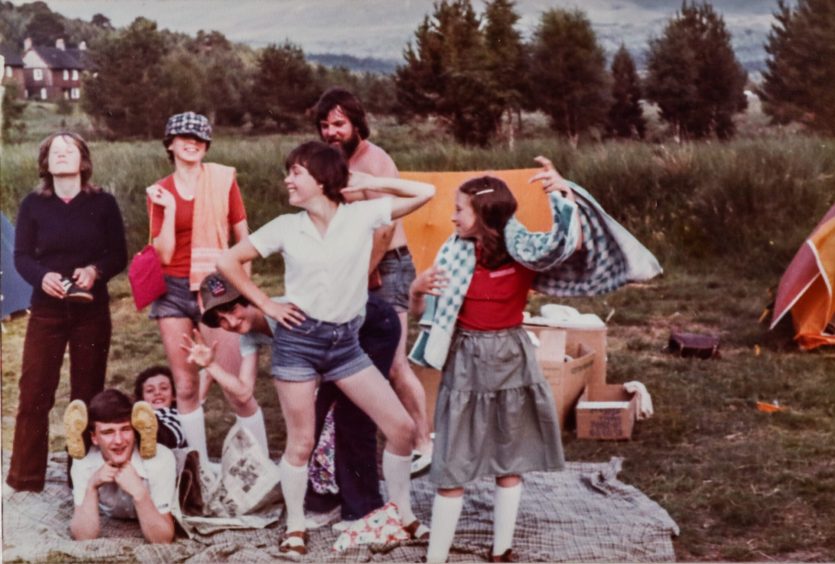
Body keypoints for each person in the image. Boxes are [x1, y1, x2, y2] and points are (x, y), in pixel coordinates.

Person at [412, 157, 661, 563]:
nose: (452, 216)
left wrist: (563, 190)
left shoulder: (524, 251)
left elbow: (570, 243)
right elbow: (426, 312)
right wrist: (417, 291)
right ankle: (436, 558)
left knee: (510, 458)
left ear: (484, 216)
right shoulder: (453, 253)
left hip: (511, 357)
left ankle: (502, 550)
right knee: (452, 463)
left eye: (459, 209)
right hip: (466, 360)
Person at [216, 141, 435, 555]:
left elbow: (427, 194)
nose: (287, 179)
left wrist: (368, 181)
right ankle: (295, 527)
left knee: (402, 430)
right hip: (298, 344)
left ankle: (401, 514)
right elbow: (228, 262)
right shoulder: (286, 226)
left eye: (296, 172)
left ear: (322, 179)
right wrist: (267, 304)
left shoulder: (362, 215)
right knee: (302, 441)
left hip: (346, 344)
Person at [183, 272, 399, 528]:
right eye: (220, 320)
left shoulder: (287, 314)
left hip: (371, 325)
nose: (230, 320)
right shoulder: (249, 336)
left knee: (352, 417)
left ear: (248, 299)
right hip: (337, 347)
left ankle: (366, 511)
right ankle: (330, 501)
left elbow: (324, 350)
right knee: (317, 422)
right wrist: (211, 366)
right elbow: (243, 392)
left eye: (232, 308)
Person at [315, 88, 433, 474]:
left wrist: (360, 276)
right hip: (361, 267)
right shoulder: (337, 161)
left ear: (356, 123)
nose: (332, 132)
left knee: (396, 363)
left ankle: (423, 442)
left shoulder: (375, 160)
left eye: (339, 124)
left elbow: (383, 230)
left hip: (389, 267)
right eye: (325, 125)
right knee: (362, 359)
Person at [7, 131, 127, 493]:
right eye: (54, 151)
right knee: (34, 391)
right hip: (46, 311)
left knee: (87, 392)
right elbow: (21, 257)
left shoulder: (103, 203)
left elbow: (118, 254)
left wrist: (95, 271)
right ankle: (26, 477)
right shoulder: (32, 205)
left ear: (83, 160)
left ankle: (83, 475)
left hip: (91, 310)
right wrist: (42, 278)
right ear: (45, 163)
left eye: (69, 149)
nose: (61, 155)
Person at [144, 111, 249, 466]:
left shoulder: (223, 180)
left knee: (235, 385)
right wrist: (170, 208)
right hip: (172, 289)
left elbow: (243, 238)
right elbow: (165, 253)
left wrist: (243, 287)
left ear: (206, 146)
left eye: (200, 139)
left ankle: (256, 465)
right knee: (186, 387)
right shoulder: (160, 191)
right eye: (185, 136)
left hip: (216, 285)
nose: (192, 143)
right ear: (170, 144)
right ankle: (197, 468)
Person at [66, 389, 175, 543]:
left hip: (178, 468)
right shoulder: (84, 462)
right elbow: (84, 536)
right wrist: (91, 487)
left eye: (125, 429)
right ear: (94, 437)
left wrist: (139, 493)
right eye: (108, 432)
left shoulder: (160, 460)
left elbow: (162, 539)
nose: (118, 440)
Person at [134, 366, 188, 450]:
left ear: (174, 395)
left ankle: (150, 434)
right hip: (143, 429)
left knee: (169, 433)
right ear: (142, 399)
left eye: (164, 388)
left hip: (167, 439)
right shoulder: (139, 416)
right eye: (150, 390)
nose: (157, 393)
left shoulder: (175, 413)